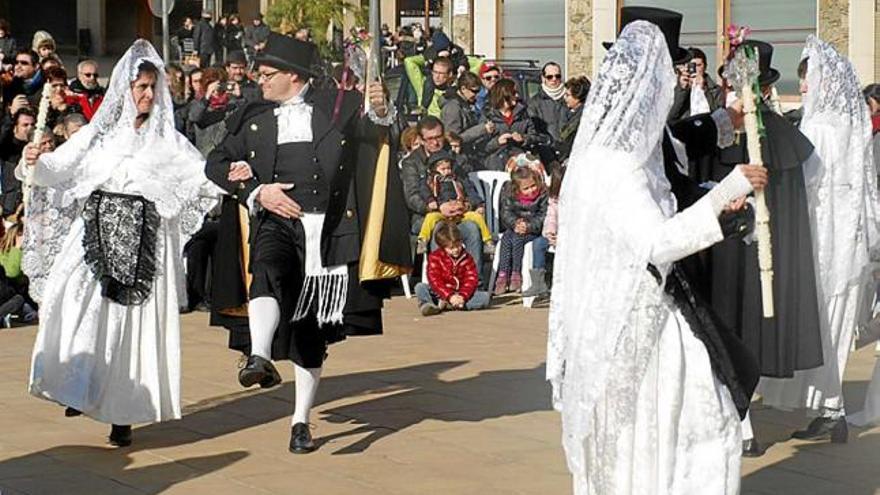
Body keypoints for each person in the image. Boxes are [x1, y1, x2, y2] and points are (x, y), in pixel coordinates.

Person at [547, 21, 764, 495]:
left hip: (612, 319)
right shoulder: (618, 165)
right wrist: (731, 191)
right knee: (692, 429)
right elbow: (656, 241)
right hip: (637, 324)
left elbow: (682, 152)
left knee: (640, 439)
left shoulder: (608, 151)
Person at [205, 33, 410, 454]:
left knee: (310, 331)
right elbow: (216, 162)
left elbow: (378, 134)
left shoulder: (340, 106)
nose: (259, 81)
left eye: (267, 74)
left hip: (329, 232)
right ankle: (258, 356)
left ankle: (300, 421)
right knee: (264, 268)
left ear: (293, 77)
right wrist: (256, 193)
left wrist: (382, 108)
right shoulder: (252, 114)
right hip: (274, 220)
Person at [23, 40, 220, 447]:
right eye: (140, 86)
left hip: (144, 243)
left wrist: (234, 175)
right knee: (72, 304)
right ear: (124, 89)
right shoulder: (99, 136)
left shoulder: (168, 142)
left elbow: (201, 179)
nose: (147, 94)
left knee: (130, 328)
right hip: (94, 233)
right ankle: (77, 386)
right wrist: (35, 162)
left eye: (153, 87)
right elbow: (58, 168)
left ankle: (122, 414)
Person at [756, 37, 880, 442]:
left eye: (808, 78)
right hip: (845, 245)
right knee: (833, 328)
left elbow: (807, 183)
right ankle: (830, 407)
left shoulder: (821, 128)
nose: (803, 86)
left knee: (821, 327)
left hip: (822, 243)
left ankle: (832, 408)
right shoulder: (847, 126)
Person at [710, 39, 823, 457]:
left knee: (740, 336)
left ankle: (741, 425)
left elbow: (789, 198)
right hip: (725, 249)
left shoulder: (775, 134)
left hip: (754, 257)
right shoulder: (723, 128)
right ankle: (739, 421)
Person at [401, 116, 484, 265]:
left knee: (472, 229)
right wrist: (437, 207)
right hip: (427, 217)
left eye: (439, 137)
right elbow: (412, 196)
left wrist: (467, 205)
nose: (435, 142)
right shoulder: (412, 162)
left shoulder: (454, 158)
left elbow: (468, 186)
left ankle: (475, 282)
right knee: (440, 229)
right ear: (421, 139)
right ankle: (441, 280)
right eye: (430, 138)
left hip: (458, 213)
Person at [416, 150, 491, 253]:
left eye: (449, 168)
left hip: (460, 210)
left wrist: (478, 204)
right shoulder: (430, 181)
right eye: (443, 169)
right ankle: (423, 240)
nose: (447, 171)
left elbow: (470, 191)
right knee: (430, 218)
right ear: (434, 169)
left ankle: (488, 241)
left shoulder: (457, 180)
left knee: (477, 217)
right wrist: (431, 201)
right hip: (441, 212)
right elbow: (424, 191)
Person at [494, 166, 548, 294]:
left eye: (533, 186)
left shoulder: (543, 196)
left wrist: (528, 226)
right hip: (516, 227)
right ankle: (502, 275)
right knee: (507, 238)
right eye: (526, 188)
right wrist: (515, 223)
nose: (531, 190)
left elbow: (543, 216)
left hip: (534, 230)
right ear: (517, 189)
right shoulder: (510, 195)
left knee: (517, 239)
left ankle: (516, 273)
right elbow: (506, 213)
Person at [416, 222, 490, 316]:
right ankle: (428, 305)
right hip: (440, 293)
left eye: (458, 246)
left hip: (460, 293)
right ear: (443, 247)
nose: (455, 250)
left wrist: (463, 296)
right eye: (451, 248)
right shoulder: (435, 258)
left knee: (485, 297)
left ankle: (450, 305)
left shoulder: (467, 258)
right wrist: (449, 296)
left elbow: (471, 279)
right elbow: (435, 280)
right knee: (420, 287)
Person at [482, 79, 538, 171]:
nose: (517, 95)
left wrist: (523, 138)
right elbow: (481, 146)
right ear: (504, 95)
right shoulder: (488, 115)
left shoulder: (523, 113)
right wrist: (497, 142)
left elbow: (534, 136)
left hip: (519, 163)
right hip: (496, 164)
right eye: (514, 92)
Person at [441, 71, 493, 156]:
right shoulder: (453, 108)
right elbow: (453, 139)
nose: (476, 95)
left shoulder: (466, 105)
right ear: (463, 89)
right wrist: (482, 129)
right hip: (457, 157)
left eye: (478, 91)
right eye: (474, 91)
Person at [529, 62, 567, 143]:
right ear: (543, 78)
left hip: (568, 149)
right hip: (546, 149)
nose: (554, 79)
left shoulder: (569, 98)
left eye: (557, 76)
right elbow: (533, 130)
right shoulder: (535, 102)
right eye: (549, 77)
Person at [555, 76, 590, 162]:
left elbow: (564, 134)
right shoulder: (573, 112)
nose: (565, 98)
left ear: (577, 97)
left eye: (568, 95)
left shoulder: (581, 116)